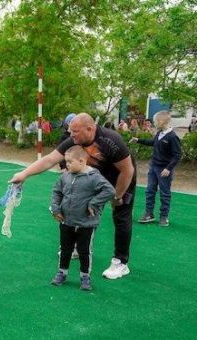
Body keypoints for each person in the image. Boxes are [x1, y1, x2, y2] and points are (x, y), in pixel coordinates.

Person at [10, 113, 136, 280]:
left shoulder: (110, 140)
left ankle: (121, 262)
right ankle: (80, 246)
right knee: (85, 209)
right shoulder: (75, 139)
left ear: (89, 129)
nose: (71, 135)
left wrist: (117, 196)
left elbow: (127, 170)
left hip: (121, 178)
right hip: (94, 178)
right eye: (70, 131)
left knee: (121, 216)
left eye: (75, 131)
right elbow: (50, 159)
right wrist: (24, 174)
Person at [50, 145, 115, 291]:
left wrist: (94, 203)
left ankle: (85, 277)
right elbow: (56, 192)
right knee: (65, 249)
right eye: (66, 162)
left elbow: (109, 190)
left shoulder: (94, 177)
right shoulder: (65, 176)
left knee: (84, 251)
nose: (66, 165)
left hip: (86, 224)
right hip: (66, 222)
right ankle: (62, 273)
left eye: (69, 162)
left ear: (81, 161)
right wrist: (55, 208)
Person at [131, 111, 182, 227]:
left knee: (165, 193)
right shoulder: (159, 133)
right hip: (153, 167)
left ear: (161, 121)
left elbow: (177, 155)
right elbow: (153, 142)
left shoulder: (173, 137)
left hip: (164, 170)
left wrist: (168, 169)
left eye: (154, 121)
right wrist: (138, 140)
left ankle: (164, 217)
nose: (153, 123)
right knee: (149, 191)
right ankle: (149, 214)